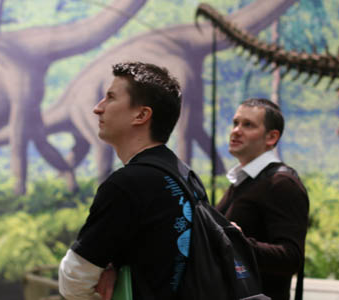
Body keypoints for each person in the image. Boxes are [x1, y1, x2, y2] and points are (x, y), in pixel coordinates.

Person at [58, 61, 191, 300]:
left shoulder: (127, 184)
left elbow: (74, 279)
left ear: (141, 115)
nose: (98, 108)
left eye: (110, 98)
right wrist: (117, 263)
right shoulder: (186, 176)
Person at [216, 98, 309, 300]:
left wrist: (240, 243)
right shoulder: (242, 180)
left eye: (248, 125)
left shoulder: (281, 184)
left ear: (271, 137)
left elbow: (291, 257)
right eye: (235, 123)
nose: (236, 131)